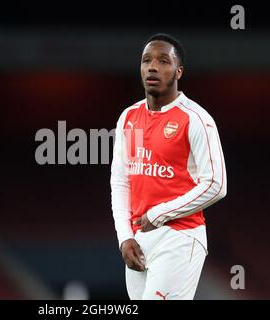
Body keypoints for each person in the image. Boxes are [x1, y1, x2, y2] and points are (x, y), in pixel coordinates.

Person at [110, 33, 227, 300]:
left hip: (181, 238)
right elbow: (120, 180)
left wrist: (159, 214)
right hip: (140, 239)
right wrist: (124, 237)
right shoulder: (129, 117)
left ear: (178, 71)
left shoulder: (196, 119)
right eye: (146, 60)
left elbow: (216, 184)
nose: (153, 67)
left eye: (164, 61)